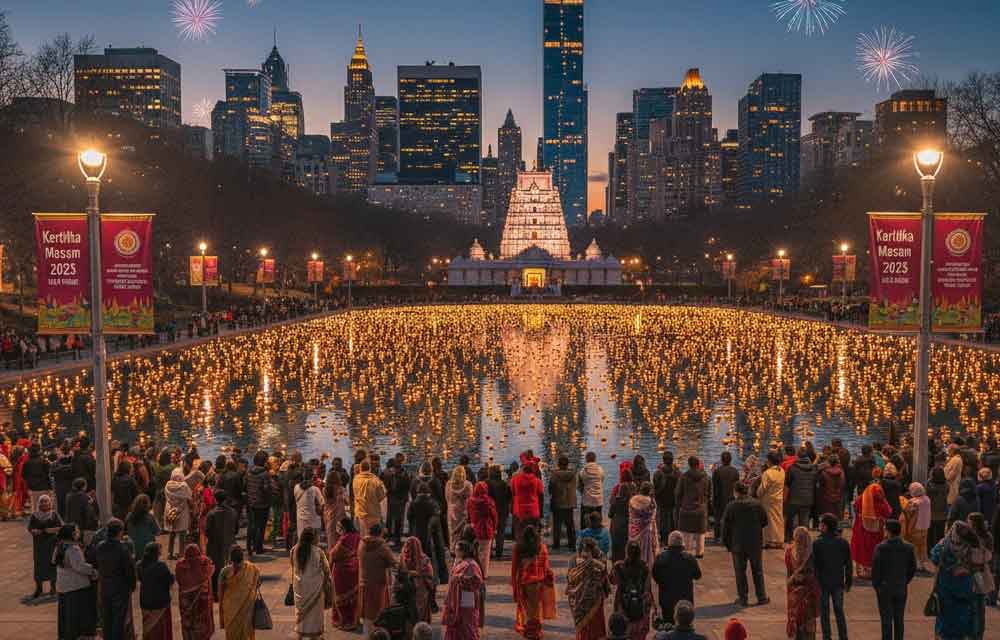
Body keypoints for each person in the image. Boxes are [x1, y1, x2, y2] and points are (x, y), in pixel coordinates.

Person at [931, 519, 981, 639]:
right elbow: (981, 563)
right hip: (963, 592)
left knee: (944, 626)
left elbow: (934, 559)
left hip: (946, 591)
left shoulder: (942, 546)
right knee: (960, 626)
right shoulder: (971, 547)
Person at [720, 482, 769, 607]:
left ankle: (743, 598)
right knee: (757, 570)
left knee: (740, 572)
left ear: (736, 492)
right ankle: (761, 596)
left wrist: (727, 543)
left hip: (738, 543)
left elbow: (725, 527)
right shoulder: (757, 504)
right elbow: (764, 521)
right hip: (755, 542)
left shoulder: (731, 506)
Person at [872, 520, 916, 640]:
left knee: (886, 620)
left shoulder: (881, 548)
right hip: (900, 587)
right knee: (899, 619)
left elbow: (876, 571)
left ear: (888, 531)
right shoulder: (908, 547)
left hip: (885, 588)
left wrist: (877, 587)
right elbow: (912, 568)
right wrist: (904, 580)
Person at [54, 524, 99, 640]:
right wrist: (93, 570)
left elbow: (54, 560)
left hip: (63, 584)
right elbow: (80, 566)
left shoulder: (59, 546)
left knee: (66, 613)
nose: (79, 533)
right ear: (72, 534)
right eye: (77, 531)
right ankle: (76, 635)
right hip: (76, 585)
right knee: (75, 613)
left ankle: (65, 634)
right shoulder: (73, 548)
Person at [511, 525, 555, 640]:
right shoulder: (542, 547)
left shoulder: (518, 547)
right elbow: (546, 567)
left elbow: (514, 569)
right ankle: (535, 632)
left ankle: (530, 631)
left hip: (524, 583)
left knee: (528, 609)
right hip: (538, 583)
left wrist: (515, 586)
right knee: (536, 609)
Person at [96, 518, 138, 640]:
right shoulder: (123, 549)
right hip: (120, 589)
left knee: (107, 619)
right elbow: (129, 570)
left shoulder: (100, 547)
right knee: (118, 621)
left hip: (105, 587)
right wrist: (132, 585)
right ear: (120, 532)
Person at [812, 513, 851, 640]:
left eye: (821, 523)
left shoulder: (817, 543)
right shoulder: (843, 543)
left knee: (824, 612)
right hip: (838, 582)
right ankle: (843, 636)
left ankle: (826, 636)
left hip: (822, 583)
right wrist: (848, 581)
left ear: (825, 526)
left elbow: (814, 565)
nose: (819, 526)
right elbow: (848, 564)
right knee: (839, 610)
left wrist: (814, 582)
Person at [652, 531, 702, 626]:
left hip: (666, 601)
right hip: (685, 601)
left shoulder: (660, 558)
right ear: (682, 544)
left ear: (669, 543)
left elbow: (655, 577)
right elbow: (698, 575)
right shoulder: (689, 558)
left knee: (668, 627)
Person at [566, 537, 611, 640]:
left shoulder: (573, 560)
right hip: (596, 603)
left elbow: (570, 580)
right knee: (596, 629)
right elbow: (604, 580)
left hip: (578, 604)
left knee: (583, 631)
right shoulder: (600, 562)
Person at [291, 527, 332, 639]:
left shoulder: (294, 550)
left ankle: (300, 634)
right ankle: (315, 636)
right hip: (316, 589)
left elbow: (293, 566)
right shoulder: (318, 552)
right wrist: (326, 583)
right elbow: (327, 570)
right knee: (315, 615)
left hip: (299, 588)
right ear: (314, 538)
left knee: (301, 613)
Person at [359, 522, 397, 637]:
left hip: (364, 582)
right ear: (380, 533)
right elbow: (393, 563)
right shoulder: (382, 546)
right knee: (379, 614)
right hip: (379, 585)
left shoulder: (361, 544)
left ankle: (367, 636)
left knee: (367, 614)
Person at [443, 539, 485, 640]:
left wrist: (460, 578)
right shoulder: (460, 562)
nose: (455, 551)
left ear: (463, 551)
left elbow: (477, 581)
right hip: (458, 599)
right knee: (457, 625)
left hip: (466, 600)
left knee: (467, 625)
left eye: (456, 549)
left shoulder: (471, 564)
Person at [850, 482, 892, 579]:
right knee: (875, 549)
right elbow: (888, 512)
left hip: (861, 528)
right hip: (878, 529)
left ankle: (863, 570)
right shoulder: (882, 500)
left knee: (862, 548)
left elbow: (855, 507)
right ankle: (875, 569)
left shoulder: (862, 498)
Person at [218, 546, 261, 640]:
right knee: (246, 633)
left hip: (230, 610)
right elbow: (258, 583)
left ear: (230, 558)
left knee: (232, 634)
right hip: (247, 608)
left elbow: (220, 593)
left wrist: (221, 608)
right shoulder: (252, 568)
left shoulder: (225, 571)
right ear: (242, 557)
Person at [175, 543, 216, 640]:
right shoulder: (204, 563)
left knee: (188, 626)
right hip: (202, 605)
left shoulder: (180, 566)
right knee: (203, 626)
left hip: (186, 605)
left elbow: (178, 579)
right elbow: (211, 568)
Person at [785, 526, 820, 640]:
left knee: (797, 619)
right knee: (806, 622)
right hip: (808, 593)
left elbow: (789, 574)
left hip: (796, 593)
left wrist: (794, 580)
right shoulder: (812, 552)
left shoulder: (790, 551)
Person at [329, 518, 362, 631]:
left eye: (339, 526)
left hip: (342, 571)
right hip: (355, 568)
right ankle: (354, 620)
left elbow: (333, 555)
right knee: (353, 597)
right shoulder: (358, 536)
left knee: (340, 596)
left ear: (344, 527)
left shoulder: (344, 539)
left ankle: (343, 620)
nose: (338, 529)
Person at [205, 488, 238, 599]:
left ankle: (216, 593)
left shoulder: (211, 514)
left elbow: (207, 531)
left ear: (215, 499)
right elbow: (236, 530)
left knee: (216, 569)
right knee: (230, 569)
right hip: (229, 544)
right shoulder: (233, 512)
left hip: (215, 545)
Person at [28, 492, 62, 598]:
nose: (44, 503)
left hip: (51, 544)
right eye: (42, 502)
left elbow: (60, 527)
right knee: (39, 565)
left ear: (50, 503)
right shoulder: (34, 515)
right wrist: (34, 531)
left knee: (52, 564)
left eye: (46, 501)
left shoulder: (54, 514)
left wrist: (51, 530)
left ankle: (53, 587)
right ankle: (39, 588)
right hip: (39, 545)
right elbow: (30, 528)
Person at [139, 542, 175, 640]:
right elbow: (170, 580)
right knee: (161, 632)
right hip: (160, 604)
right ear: (156, 553)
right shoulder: (161, 566)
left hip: (145, 602)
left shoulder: (140, 565)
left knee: (148, 630)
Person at [675, 456, 709, 558]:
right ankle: (700, 552)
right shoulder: (705, 477)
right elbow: (708, 492)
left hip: (686, 508)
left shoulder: (684, 477)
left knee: (687, 533)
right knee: (700, 533)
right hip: (700, 508)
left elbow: (678, 493)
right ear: (698, 464)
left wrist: (680, 504)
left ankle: (687, 552)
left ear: (689, 464)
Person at [400, 536, 436, 623]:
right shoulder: (424, 560)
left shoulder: (403, 558)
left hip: (407, 593)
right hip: (420, 594)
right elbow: (430, 576)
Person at [785, 449, 818, 542]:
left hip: (794, 498)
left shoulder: (792, 468)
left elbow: (787, 484)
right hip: (808, 498)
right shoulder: (813, 468)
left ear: (797, 456)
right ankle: (804, 540)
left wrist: (785, 498)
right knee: (804, 521)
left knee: (790, 520)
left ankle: (789, 538)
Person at [245, 450, 274, 556]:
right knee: (261, 526)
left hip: (251, 502)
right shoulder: (264, 474)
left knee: (252, 525)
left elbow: (246, 485)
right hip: (262, 504)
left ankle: (249, 546)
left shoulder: (249, 471)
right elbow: (266, 489)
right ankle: (259, 548)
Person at [467, 480, 498, 577]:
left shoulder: (470, 501)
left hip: (474, 528)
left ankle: (474, 571)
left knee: (475, 552)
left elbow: (468, 514)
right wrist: (495, 526)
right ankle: (483, 573)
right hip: (486, 528)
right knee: (485, 553)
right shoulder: (489, 501)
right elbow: (494, 516)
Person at [757, 452, 786, 549]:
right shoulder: (782, 471)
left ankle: (769, 540)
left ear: (769, 461)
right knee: (778, 519)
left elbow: (762, 489)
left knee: (768, 521)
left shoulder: (767, 473)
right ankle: (779, 540)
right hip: (778, 499)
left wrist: (758, 494)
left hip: (768, 500)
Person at [899, 482, 931, 570]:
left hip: (915, 527)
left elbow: (907, 512)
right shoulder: (927, 499)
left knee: (914, 546)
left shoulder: (913, 502)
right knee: (923, 546)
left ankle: (916, 563)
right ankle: (922, 562)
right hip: (925, 526)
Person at [511, 462, 544, 545]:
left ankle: (521, 549)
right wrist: (541, 511)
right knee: (534, 532)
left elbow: (512, 493)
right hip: (534, 510)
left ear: (523, 470)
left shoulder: (515, 480)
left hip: (519, 511)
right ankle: (533, 550)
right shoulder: (537, 481)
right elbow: (541, 496)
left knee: (520, 532)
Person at [164, 467, 193, 559]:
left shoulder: (167, 485)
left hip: (170, 510)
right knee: (182, 533)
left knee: (172, 533)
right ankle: (181, 553)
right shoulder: (184, 486)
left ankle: (169, 553)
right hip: (182, 511)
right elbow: (189, 496)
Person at [652, 451, 680, 547]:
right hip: (673, 500)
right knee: (673, 520)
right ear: (672, 460)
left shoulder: (658, 473)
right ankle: (673, 540)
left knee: (663, 520)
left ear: (663, 460)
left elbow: (655, 487)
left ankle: (664, 540)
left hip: (661, 500)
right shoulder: (678, 473)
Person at [628, 481, 659, 566]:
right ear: (649, 491)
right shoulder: (651, 502)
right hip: (645, 531)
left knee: (632, 549)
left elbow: (630, 514)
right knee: (645, 554)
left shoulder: (632, 500)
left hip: (633, 529)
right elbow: (652, 516)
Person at [711, 451, 740, 541]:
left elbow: (714, 487)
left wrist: (713, 499)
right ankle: (729, 536)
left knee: (718, 519)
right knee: (730, 519)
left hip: (719, 498)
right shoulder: (735, 471)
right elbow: (736, 487)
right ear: (730, 460)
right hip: (731, 498)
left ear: (722, 460)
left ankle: (717, 536)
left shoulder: (717, 472)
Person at [608, 469, 636, 562]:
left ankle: (615, 565)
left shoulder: (617, 501)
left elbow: (610, 514)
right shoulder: (633, 500)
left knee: (616, 547)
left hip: (617, 525)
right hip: (630, 525)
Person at [353, 460, 387, 535]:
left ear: (361, 469)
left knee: (363, 536)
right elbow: (382, 497)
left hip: (361, 513)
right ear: (370, 469)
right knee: (374, 537)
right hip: (373, 514)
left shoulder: (356, 479)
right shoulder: (376, 481)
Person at [486, 465, 513, 559]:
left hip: (490, 511)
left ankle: (489, 552)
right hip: (502, 510)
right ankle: (499, 551)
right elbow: (510, 496)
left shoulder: (487, 484)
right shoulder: (504, 484)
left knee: (490, 532)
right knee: (501, 532)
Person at [126, 494, 160, 562]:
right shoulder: (150, 517)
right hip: (148, 549)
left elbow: (127, 531)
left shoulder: (129, 516)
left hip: (133, 548)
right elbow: (157, 532)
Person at [578, 451, 605, 531]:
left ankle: (584, 538)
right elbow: (602, 480)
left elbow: (579, 486)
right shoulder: (600, 470)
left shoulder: (583, 471)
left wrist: (583, 491)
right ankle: (599, 538)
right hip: (598, 500)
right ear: (595, 459)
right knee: (598, 521)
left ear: (586, 459)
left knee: (584, 522)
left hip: (587, 500)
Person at [323, 466, 348, 547]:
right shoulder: (341, 489)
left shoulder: (325, 489)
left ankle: (331, 555)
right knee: (340, 538)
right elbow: (346, 501)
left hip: (328, 515)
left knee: (330, 537)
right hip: (339, 516)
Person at [815, 456, 845, 522]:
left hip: (826, 497)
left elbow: (821, 486)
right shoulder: (841, 472)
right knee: (837, 516)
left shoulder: (824, 473)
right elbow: (843, 484)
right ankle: (838, 529)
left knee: (827, 517)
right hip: (838, 497)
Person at [927, 466, 950, 550]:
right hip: (943, 513)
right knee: (940, 534)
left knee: (930, 535)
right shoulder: (946, 485)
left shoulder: (929, 486)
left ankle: (930, 550)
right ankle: (939, 550)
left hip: (931, 513)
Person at [294, 471, 324, 535]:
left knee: (301, 539)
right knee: (313, 541)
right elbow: (322, 503)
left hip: (300, 518)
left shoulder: (296, 487)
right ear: (312, 478)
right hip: (313, 519)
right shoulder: (315, 489)